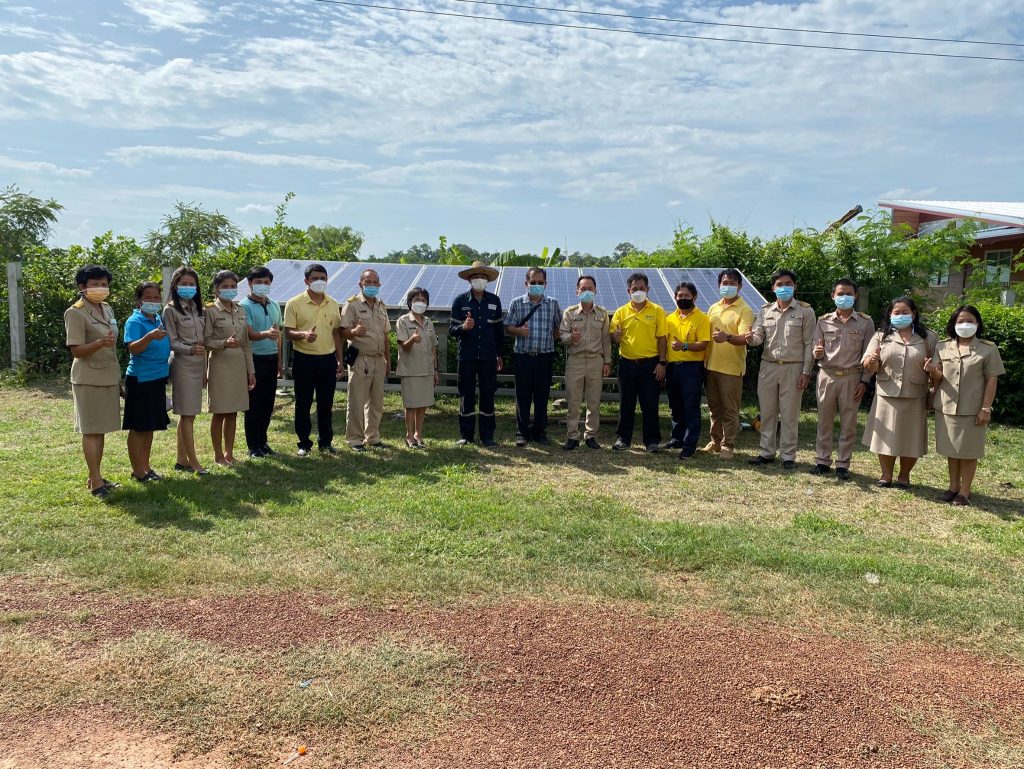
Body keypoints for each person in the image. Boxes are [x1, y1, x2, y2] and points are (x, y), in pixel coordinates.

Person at [929, 305, 1004, 506]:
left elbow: (992, 380)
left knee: (969, 451)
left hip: (972, 409)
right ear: (953, 324)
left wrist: (986, 408)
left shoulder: (988, 348)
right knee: (952, 449)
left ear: (977, 324)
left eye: (970, 321)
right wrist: (932, 370)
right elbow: (939, 375)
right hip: (947, 406)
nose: (965, 325)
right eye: (960, 321)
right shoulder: (943, 346)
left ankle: (965, 490)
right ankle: (953, 486)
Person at [861, 296, 938, 488]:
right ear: (890, 314)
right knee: (885, 437)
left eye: (905, 312)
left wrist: (932, 371)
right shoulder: (881, 335)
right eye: (897, 312)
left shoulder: (928, 337)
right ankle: (886, 475)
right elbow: (868, 365)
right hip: (887, 394)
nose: (901, 315)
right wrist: (872, 361)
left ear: (914, 314)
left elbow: (938, 367)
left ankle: (904, 475)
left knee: (911, 438)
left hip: (915, 395)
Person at [746, 269, 815, 470]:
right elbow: (758, 337)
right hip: (768, 367)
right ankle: (766, 452)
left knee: (789, 414)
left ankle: (788, 456)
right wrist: (750, 338)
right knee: (767, 413)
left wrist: (806, 372)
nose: (784, 288)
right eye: (779, 284)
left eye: (788, 284)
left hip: (793, 368)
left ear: (795, 286)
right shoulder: (765, 310)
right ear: (773, 288)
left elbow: (809, 344)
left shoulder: (805, 311)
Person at [64, 264, 121, 500]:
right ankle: (96, 481)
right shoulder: (75, 312)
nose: (100, 288)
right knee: (90, 430)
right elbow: (76, 350)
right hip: (88, 378)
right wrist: (99, 343)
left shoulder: (106, 308)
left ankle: (95, 476)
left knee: (101, 429)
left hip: (108, 375)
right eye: (95, 284)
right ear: (82, 287)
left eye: (104, 284)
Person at [809, 279, 875, 481]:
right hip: (827, 375)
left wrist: (865, 381)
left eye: (848, 294)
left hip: (851, 377)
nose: (844, 297)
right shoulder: (823, 321)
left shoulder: (865, 322)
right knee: (824, 421)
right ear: (833, 296)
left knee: (849, 423)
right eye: (840, 294)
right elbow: (815, 349)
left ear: (856, 296)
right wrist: (816, 352)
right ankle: (822, 461)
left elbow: (870, 354)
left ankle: (843, 464)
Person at [283, 264, 344, 456]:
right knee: (303, 403)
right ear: (306, 281)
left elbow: (336, 333)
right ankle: (304, 443)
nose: (320, 281)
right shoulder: (294, 303)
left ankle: (325, 442)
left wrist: (340, 360)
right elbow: (288, 332)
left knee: (326, 403)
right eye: (315, 278)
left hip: (328, 360)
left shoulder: (333, 303)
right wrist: (303, 334)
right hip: (304, 359)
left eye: (323, 278)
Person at [610, 272, 667, 452]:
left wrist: (662, 363)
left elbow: (662, 338)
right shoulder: (621, 312)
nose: (638, 291)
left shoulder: (657, 311)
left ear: (648, 289)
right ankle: (623, 439)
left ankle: (652, 441)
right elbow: (613, 336)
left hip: (651, 365)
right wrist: (614, 336)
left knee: (650, 403)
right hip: (627, 364)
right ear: (628, 291)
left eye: (642, 288)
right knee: (626, 403)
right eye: (634, 288)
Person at [505, 267, 562, 447]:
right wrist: (518, 331)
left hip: (545, 357)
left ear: (546, 284)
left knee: (542, 397)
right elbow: (508, 327)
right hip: (523, 357)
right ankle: (522, 433)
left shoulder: (553, 304)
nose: (537, 285)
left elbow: (559, 328)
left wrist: (549, 339)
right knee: (522, 397)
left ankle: (540, 432)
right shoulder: (516, 303)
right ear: (526, 283)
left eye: (540, 282)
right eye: (533, 282)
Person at [203, 270, 255, 466]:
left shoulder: (240, 310)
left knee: (233, 412)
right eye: (225, 286)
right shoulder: (209, 311)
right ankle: (218, 455)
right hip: (220, 366)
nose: (229, 290)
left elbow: (246, 344)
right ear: (216, 289)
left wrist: (251, 371)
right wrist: (224, 343)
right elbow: (206, 341)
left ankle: (229, 453)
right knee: (220, 412)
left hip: (238, 366)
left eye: (233, 286)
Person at [702, 269, 755, 460]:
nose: (728, 286)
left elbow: (745, 338)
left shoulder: (745, 310)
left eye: (732, 283)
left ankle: (728, 445)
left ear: (740, 286)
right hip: (711, 366)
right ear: (719, 285)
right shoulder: (713, 308)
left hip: (731, 369)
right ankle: (715, 441)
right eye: (725, 283)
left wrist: (727, 338)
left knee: (730, 409)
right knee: (714, 408)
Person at [450, 260, 504, 446]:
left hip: (489, 356)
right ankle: (466, 435)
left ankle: (487, 436)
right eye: (476, 277)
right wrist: (463, 327)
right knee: (466, 394)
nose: (479, 280)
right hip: (467, 356)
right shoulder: (460, 301)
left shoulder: (494, 301)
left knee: (488, 394)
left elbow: (499, 331)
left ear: (487, 280)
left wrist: (499, 354)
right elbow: (452, 330)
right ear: (469, 280)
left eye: (483, 277)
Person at [122, 281, 171, 482]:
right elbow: (133, 348)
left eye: (156, 297)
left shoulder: (158, 318)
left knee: (149, 426)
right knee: (138, 427)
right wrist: (150, 336)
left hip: (157, 378)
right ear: (139, 300)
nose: (153, 301)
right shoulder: (134, 321)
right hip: (140, 379)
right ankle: (138, 471)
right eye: (148, 297)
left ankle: (146, 467)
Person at [163, 266, 209, 475]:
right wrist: (189, 349)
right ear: (175, 285)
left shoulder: (198, 308)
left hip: (199, 363)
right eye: (184, 284)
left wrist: (205, 368)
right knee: (187, 414)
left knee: (188, 415)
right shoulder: (170, 309)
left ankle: (182, 460)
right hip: (183, 364)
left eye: (192, 284)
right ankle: (193, 462)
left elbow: (204, 341)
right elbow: (171, 341)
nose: (188, 287)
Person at [340, 268, 392, 451]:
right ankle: (355, 439)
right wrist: (354, 331)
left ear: (379, 284)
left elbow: (385, 336)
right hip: (360, 358)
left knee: (376, 402)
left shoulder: (381, 305)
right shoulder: (352, 305)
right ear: (360, 284)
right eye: (367, 282)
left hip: (378, 359)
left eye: (374, 282)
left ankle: (373, 437)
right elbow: (342, 331)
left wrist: (388, 360)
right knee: (357, 400)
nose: (371, 285)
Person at [559, 275, 611, 450]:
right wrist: (570, 337)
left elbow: (606, 340)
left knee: (593, 402)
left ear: (595, 291)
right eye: (583, 289)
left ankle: (591, 436)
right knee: (573, 401)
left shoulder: (602, 313)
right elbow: (562, 336)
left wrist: (607, 362)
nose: (586, 291)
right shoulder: (570, 312)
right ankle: (572, 436)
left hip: (596, 361)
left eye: (590, 288)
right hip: (576, 360)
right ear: (577, 292)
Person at [664, 281, 710, 459]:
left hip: (692, 369)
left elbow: (704, 344)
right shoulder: (670, 318)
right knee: (675, 406)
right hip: (672, 367)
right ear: (675, 297)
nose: (683, 298)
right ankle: (677, 439)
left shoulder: (702, 318)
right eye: (680, 296)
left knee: (691, 407)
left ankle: (689, 445)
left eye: (687, 296)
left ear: (694, 297)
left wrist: (684, 346)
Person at [240, 266, 283, 458]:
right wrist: (266, 334)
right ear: (250, 284)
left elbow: (278, 335)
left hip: (271, 359)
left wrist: (280, 360)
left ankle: (263, 442)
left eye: (266, 282)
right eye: (258, 282)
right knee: (254, 405)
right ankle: (253, 446)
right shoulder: (244, 306)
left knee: (267, 404)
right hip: (254, 360)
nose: (263, 285)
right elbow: (249, 334)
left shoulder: (274, 304)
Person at [396, 287, 440, 448]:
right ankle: (409, 436)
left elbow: (433, 348)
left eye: (423, 300)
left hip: (427, 370)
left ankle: (418, 435)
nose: (420, 302)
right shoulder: (403, 321)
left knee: (423, 404)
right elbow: (403, 346)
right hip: (410, 370)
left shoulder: (429, 322)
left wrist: (435, 370)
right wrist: (412, 340)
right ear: (410, 302)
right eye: (416, 300)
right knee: (411, 405)